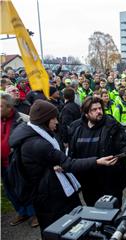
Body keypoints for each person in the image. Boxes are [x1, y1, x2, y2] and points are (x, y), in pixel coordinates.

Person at [9, 99, 118, 231]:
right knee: (61, 228)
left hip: (50, 191)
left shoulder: (33, 132)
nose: (57, 122)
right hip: (51, 198)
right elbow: (69, 163)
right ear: (44, 120)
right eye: (53, 118)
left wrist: (52, 165)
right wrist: (97, 161)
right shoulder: (38, 144)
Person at [68, 96, 126, 206]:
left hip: (110, 181)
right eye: (94, 109)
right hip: (88, 183)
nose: (99, 112)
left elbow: (122, 145)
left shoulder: (112, 125)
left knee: (112, 214)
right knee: (93, 212)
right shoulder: (76, 127)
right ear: (86, 113)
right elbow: (73, 154)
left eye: (100, 108)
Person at [1, 93, 37, 227]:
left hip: (18, 163)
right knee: (10, 190)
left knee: (25, 188)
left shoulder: (22, 120)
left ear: (9, 107)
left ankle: (34, 213)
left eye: (0, 106)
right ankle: (22, 212)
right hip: (3, 164)